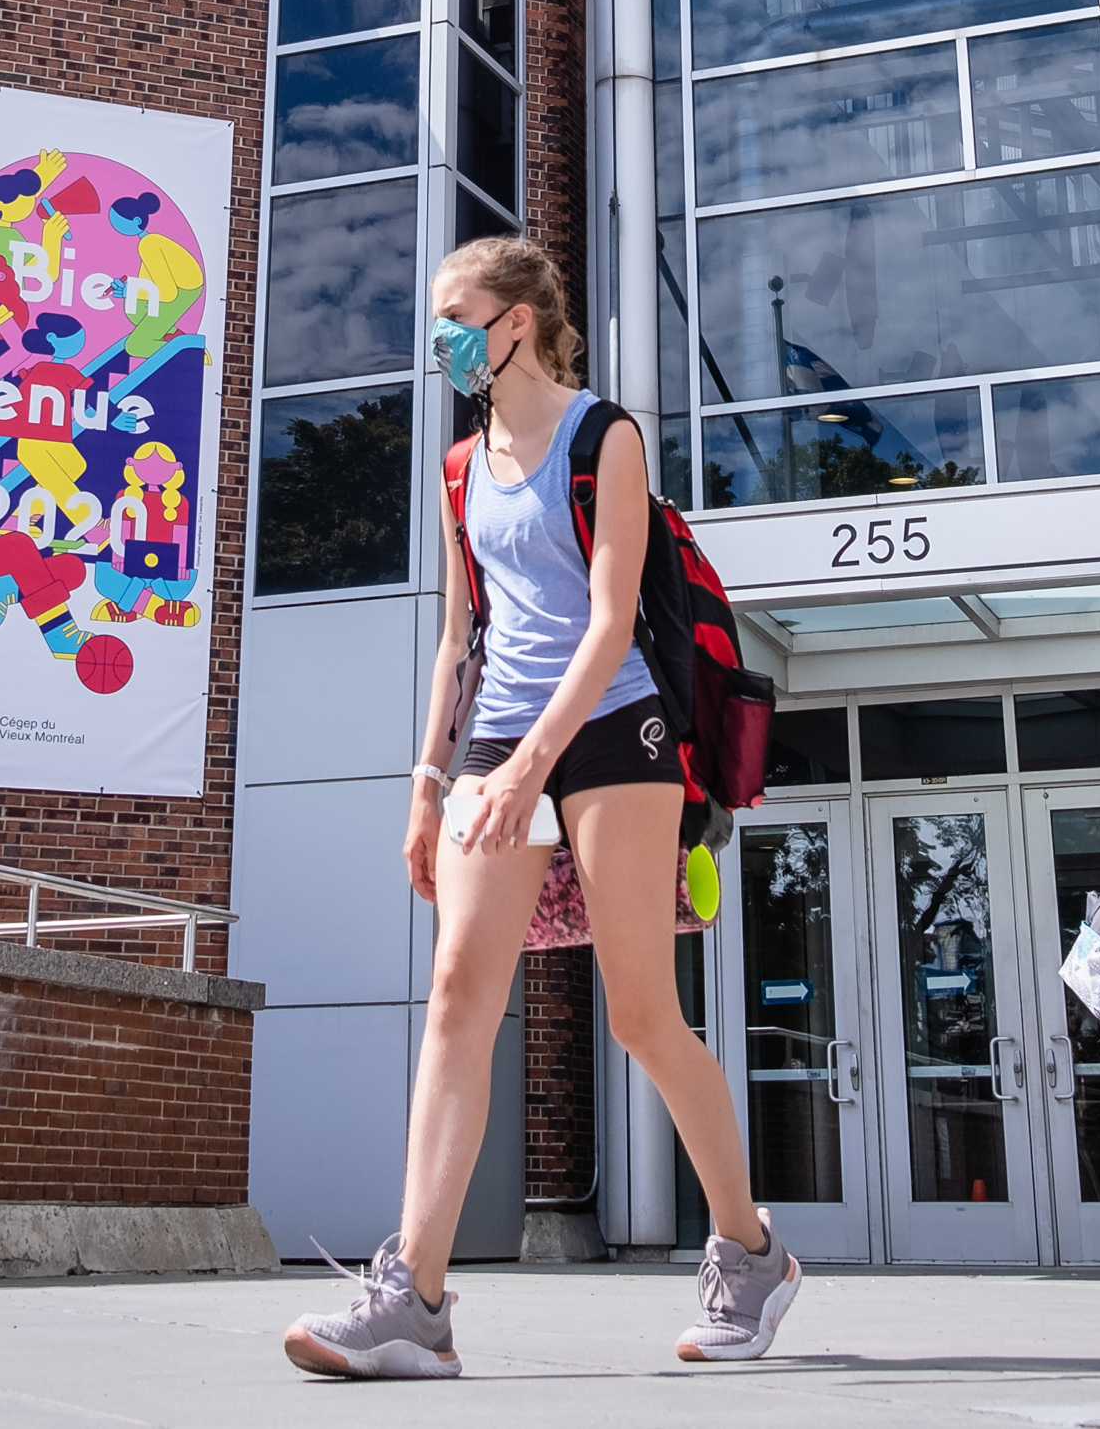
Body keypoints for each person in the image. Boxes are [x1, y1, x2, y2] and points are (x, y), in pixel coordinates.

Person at [281, 237, 796, 1379]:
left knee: (638, 1016)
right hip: (499, 730)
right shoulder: (460, 465)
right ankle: (412, 1295)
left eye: (456, 316)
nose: (442, 340)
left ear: (516, 320)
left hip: (617, 724)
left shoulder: (602, 433)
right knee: (459, 991)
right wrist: (432, 780)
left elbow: (610, 618)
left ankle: (750, 1251)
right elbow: (460, 637)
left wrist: (533, 770)